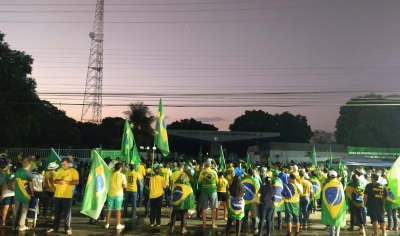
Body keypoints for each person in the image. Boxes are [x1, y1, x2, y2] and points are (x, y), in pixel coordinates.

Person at [47, 158, 79, 235]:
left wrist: (66, 182)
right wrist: (58, 181)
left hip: (67, 196)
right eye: (62, 164)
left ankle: (67, 228)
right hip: (58, 195)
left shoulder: (73, 171)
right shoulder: (59, 170)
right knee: (56, 212)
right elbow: (54, 180)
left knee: (67, 213)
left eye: (64, 164)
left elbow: (76, 182)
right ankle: (55, 227)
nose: (63, 166)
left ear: (68, 164)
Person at [321, 171, 346, 236]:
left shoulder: (326, 185)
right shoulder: (340, 184)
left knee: (331, 221)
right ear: (336, 176)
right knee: (338, 221)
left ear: (329, 177)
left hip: (329, 206)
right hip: (339, 206)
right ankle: (337, 234)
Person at [12, 158, 34, 231]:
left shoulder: (17, 172)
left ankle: (13, 226)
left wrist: (15, 191)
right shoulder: (28, 173)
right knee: (24, 211)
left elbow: (14, 183)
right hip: (25, 195)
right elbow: (31, 185)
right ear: (28, 165)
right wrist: (32, 193)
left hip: (17, 195)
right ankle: (21, 226)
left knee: (16, 211)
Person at [105, 163, 127, 229]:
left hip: (110, 194)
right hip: (119, 194)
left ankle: (107, 224)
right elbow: (125, 186)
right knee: (118, 210)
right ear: (120, 168)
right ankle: (118, 224)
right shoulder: (122, 175)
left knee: (109, 209)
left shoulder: (110, 175)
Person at [198, 160, 219, 229]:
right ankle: (213, 224)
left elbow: (199, 182)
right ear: (210, 165)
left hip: (204, 191)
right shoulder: (214, 172)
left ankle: (204, 224)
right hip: (213, 191)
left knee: (204, 208)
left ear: (205, 165)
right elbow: (217, 182)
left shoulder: (202, 172)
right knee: (213, 208)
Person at [242, 168, 261, 233]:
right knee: (254, 215)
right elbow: (259, 190)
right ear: (253, 173)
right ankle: (255, 228)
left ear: (247, 173)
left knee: (244, 215)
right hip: (253, 201)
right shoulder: (255, 180)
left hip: (245, 200)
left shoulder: (243, 180)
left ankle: (243, 227)